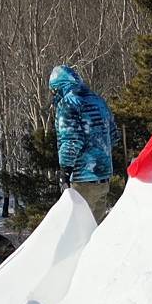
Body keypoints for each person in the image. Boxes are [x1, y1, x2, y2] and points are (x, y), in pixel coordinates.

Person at [49, 65, 116, 220]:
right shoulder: (99, 101)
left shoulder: (68, 103)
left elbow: (71, 140)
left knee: (79, 232)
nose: (53, 95)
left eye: (53, 90)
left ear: (59, 87)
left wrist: (65, 171)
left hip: (82, 178)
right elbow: (113, 135)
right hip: (103, 176)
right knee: (95, 229)